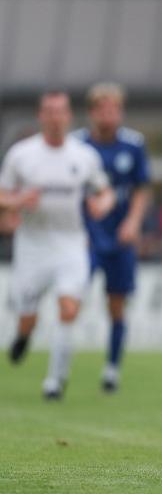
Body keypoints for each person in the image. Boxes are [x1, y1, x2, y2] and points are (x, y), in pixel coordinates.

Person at [0, 91, 113, 398]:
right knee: (28, 317)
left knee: (68, 308)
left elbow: (104, 190)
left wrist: (102, 204)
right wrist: (19, 200)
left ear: (68, 116)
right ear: (41, 116)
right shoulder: (21, 155)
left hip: (70, 244)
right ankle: (23, 336)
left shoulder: (83, 156)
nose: (55, 117)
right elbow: (2, 196)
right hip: (32, 246)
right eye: (49, 111)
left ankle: (55, 381)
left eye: (60, 111)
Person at [74, 83, 151, 392]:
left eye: (115, 109)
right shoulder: (76, 146)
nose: (110, 115)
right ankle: (59, 370)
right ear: (92, 112)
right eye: (103, 109)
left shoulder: (133, 145)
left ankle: (111, 369)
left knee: (116, 304)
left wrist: (133, 222)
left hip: (119, 238)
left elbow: (141, 189)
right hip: (86, 237)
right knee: (72, 299)